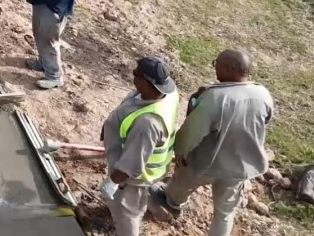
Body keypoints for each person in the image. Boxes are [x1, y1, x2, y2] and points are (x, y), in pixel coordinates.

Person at [151, 49, 274, 236]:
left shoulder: (216, 97)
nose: (215, 68)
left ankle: (173, 203)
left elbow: (192, 133)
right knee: (224, 214)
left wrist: (180, 152)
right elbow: (263, 123)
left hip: (205, 163)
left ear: (230, 68)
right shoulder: (263, 94)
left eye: (216, 64)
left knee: (181, 183)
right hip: (239, 168)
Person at [101, 56, 180, 236]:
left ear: (144, 82)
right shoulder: (168, 94)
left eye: (135, 74)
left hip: (134, 177)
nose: (133, 76)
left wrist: (112, 182)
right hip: (144, 162)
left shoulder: (147, 123)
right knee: (132, 202)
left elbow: (132, 163)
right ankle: (148, 201)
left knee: (127, 212)